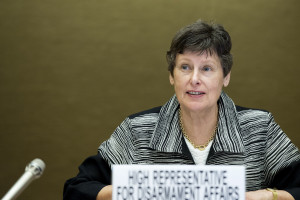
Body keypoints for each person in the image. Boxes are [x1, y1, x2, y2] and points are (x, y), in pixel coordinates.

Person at [63, 20, 300, 200]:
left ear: (225, 76)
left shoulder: (259, 127)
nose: (194, 79)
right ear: (171, 75)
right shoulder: (137, 131)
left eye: (207, 68)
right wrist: (139, 189)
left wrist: (269, 196)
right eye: (185, 67)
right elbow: (76, 189)